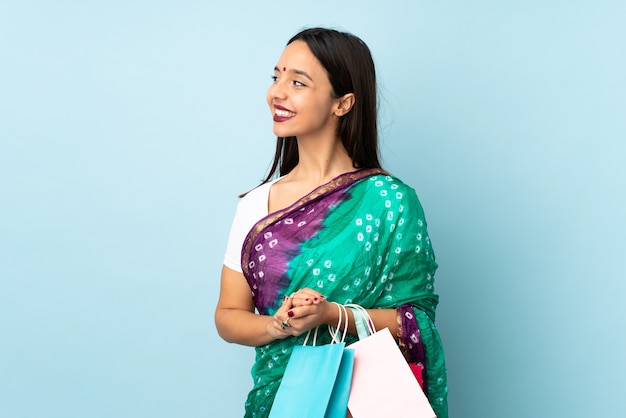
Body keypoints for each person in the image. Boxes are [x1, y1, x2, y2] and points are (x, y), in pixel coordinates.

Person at [215, 27, 448, 418]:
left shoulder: (391, 202)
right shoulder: (257, 204)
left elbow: (416, 321)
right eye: (277, 77)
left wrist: (331, 315)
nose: (277, 92)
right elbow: (228, 316)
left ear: (343, 103)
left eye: (298, 82)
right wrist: (278, 326)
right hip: (282, 400)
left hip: (368, 404)